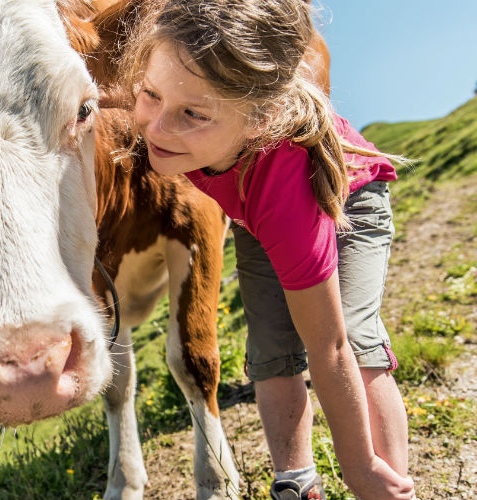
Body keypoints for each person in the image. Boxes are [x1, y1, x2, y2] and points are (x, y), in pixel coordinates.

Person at [119, 1, 415, 499]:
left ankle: (386, 485)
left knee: (355, 340)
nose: (157, 129)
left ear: (261, 119)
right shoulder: (187, 112)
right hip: (251, 217)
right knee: (271, 350)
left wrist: (357, 464)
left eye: (193, 113)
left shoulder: (287, 196)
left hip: (347, 203)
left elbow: (330, 348)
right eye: (150, 94)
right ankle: (295, 485)